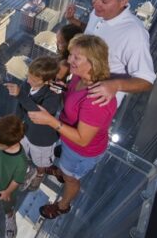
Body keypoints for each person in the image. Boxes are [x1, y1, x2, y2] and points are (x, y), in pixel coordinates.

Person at [28, 34, 117, 219]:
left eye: (76, 57)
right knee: (66, 169)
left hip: (81, 151)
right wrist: (63, 88)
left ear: (93, 62)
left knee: (71, 179)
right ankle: (61, 171)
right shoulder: (80, 78)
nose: (69, 60)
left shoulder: (96, 100)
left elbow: (83, 139)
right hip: (69, 142)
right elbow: (72, 99)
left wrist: (50, 120)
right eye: (70, 55)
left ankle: (63, 206)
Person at [64, 0, 156, 106]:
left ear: (123, 2)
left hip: (97, 103)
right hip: (78, 85)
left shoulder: (134, 34)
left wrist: (115, 85)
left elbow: (146, 81)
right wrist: (73, 20)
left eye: (104, 1)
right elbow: (93, 34)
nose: (96, 3)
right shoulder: (98, 12)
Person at [4, 57, 61, 191]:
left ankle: (40, 174)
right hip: (26, 131)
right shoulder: (28, 84)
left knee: (40, 161)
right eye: (29, 76)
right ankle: (29, 170)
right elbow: (21, 105)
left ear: (47, 81)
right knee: (22, 152)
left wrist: (20, 95)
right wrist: (15, 122)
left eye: (34, 80)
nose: (29, 81)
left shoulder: (53, 96)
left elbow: (38, 115)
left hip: (42, 140)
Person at [0, 114, 28, 238]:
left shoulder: (20, 161)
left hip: (6, 187)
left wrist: (8, 192)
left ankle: (10, 216)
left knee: (7, 204)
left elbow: (17, 180)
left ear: (10, 144)